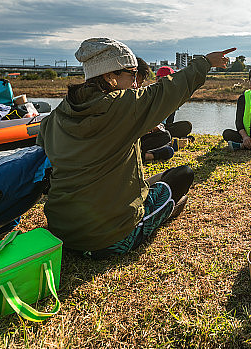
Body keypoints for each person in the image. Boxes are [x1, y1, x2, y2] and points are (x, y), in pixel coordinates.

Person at [37, 38, 234, 259]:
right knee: (183, 177)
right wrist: (205, 62)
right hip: (108, 239)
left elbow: (42, 159)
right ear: (109, 76)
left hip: (61, 232)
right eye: (132, 74)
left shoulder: (58, 114)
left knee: (151, 181)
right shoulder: (123, 105)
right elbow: (169, 90)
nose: (135, 83)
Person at [155, 66, 193, 139]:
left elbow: (170, 123)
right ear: (157, 80)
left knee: (186, 126)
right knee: (165, 135)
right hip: (151, 129)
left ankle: (170, 138)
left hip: (164, 128)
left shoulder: (174, 98)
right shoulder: (151, 94)